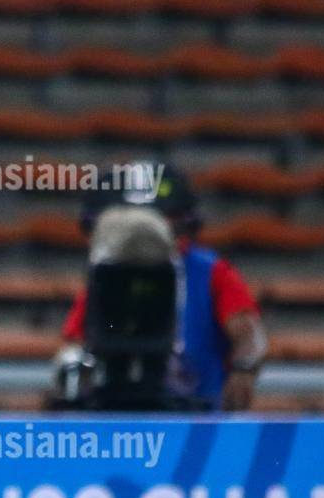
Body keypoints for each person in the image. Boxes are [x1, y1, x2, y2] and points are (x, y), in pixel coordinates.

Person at [60, 164, 267, 410]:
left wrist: (244, 367)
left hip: (196, 415)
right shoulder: (106, 276)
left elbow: (249, 333)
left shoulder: (211, 272)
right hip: (117, 413)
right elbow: (76, 344)